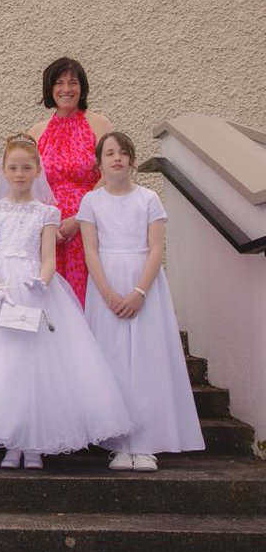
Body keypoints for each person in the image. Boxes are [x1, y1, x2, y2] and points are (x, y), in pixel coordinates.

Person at [0, 134, 131, 471]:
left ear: (37, 170)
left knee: (38, 366)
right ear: (4, 170)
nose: (19, 173)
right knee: (3, 365)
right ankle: (11, 441)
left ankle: (35, 444)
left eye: (26, 167)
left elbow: (47, 256)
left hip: (35, 286)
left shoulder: (47, 212)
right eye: (13, 167)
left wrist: (42, 281)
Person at [77, 131, 205, 472]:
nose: (116, 158)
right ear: (99, 163)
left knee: (146, 362)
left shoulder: (149, 198)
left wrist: (139, 292)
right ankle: (119, 443)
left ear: (132, 160)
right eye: (109, 153)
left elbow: (156, 249)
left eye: (123, 152)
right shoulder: (91, 202)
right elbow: (90, 249)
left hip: (143, 284)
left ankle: (146, 444)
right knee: (113, 360)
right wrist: (107, 294)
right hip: (106, 284)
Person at [28, 57, 113, 305]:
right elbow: (29, 183)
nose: (66, 89)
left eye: (72, 82)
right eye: (59, 83)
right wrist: (48, 225)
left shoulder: (99, 124)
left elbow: (109, 173)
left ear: (82, 87)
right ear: (50, 88)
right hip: (51, 229)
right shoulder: (36, 131)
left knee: (87, 290)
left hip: (90, 222)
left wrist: (79, 217)